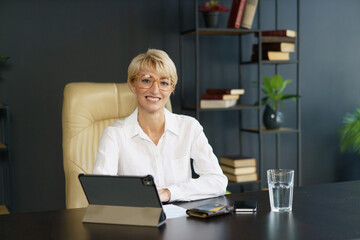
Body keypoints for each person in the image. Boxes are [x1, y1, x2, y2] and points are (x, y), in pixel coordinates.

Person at [93, 49, 228, 202]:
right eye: (146, 80)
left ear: (171, 88)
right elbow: (101, 192)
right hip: (137, 221)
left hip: (181, 222)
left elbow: (218, 181)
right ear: (132, 85)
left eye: (164, 83)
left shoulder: (189, 127)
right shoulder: (114, 135)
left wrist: (168, 193)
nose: (155, 90)